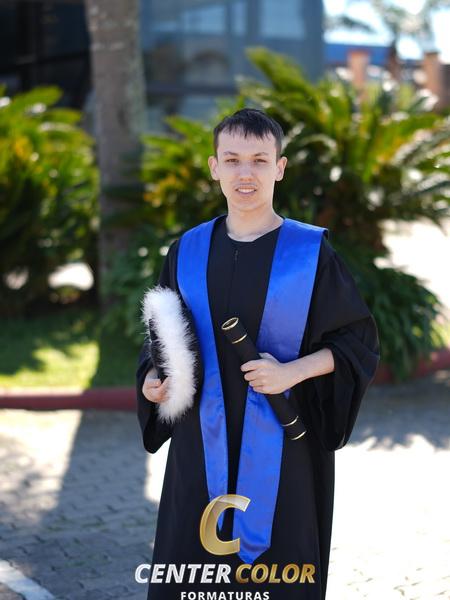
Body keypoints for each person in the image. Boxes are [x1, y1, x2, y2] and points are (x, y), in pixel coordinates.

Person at [136, 108, 380, 600]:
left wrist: (292, 372)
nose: (244, 173)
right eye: (232, 160)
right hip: (199, 444)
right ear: (214, 167)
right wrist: (152, 381)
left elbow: (356, 342)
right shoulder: (187, 250)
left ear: (279, 168)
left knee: (277, 575)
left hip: (283, 444)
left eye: (259, 160)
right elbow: (161, 337)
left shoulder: (309, 253)